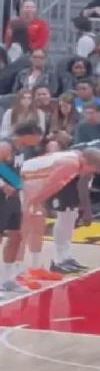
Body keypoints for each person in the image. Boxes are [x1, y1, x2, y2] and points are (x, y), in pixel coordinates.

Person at [20, 148, 100, 279]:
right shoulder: (71, 164)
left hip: (36, 179)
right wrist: (35, 201)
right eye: (92, 170)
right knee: (23, 229)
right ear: (87, 162)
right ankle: (17, 271)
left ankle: (41, 266)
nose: (91, 174)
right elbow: (51, 184)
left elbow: (55, 183)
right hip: (26, 179)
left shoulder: (78, 160)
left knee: (41, 227)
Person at [0, 122, 43, 292]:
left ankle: (7, 280)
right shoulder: (5, 146)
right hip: (2, 196)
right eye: (37, 136)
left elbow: (10, 171)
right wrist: (3, 185)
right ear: (29, 134)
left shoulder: (21, 149)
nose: (39, 140)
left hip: (13, 198)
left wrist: (23, 187)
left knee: (16, 236)